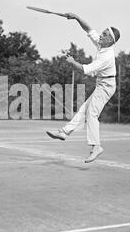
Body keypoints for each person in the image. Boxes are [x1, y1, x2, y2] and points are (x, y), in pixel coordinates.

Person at [46, 13, 120, 163]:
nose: (101, 35)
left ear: (111, 40)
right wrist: (76, 17)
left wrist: (72, 61)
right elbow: (89, 29)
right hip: (101, 83)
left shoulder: (106, 57)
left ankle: (96, 147)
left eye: (104, 34)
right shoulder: (101, 43)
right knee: (83, 110)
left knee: (91, 114)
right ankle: (64, 132)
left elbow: (85, 69)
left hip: (107, 86)